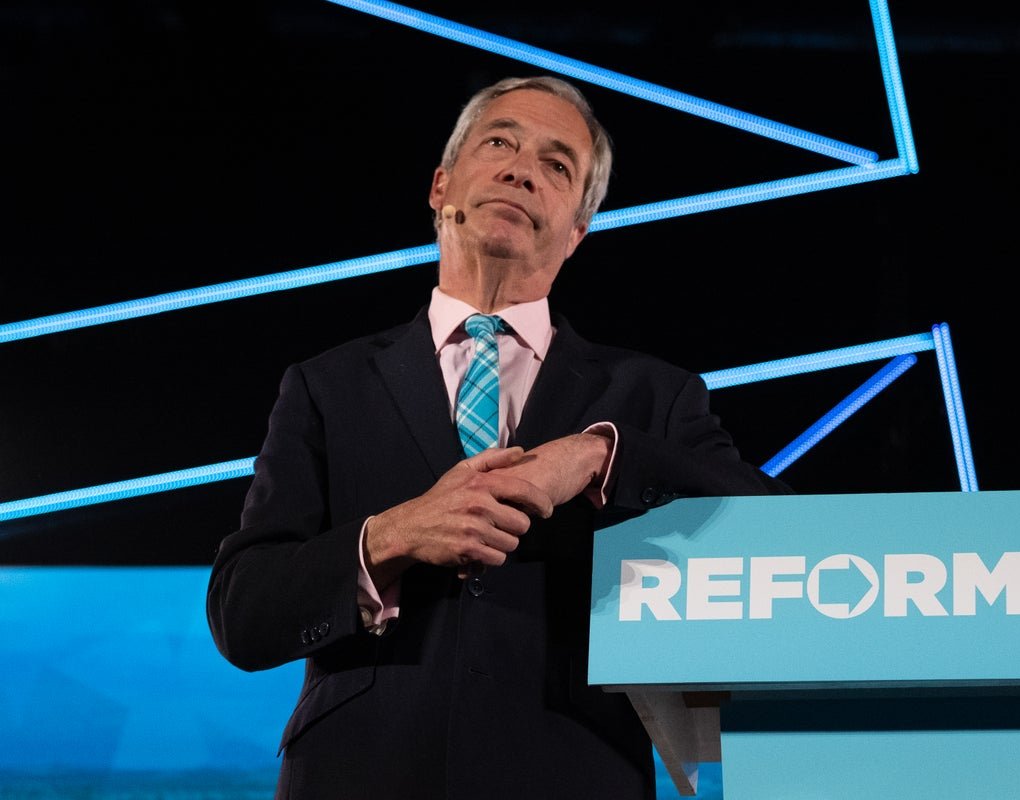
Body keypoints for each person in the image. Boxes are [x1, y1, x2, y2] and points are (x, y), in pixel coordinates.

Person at [207, 75, 793, 800]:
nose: (521, 169)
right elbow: (244, 613)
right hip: (358, 774)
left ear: (578, 230)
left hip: (574, 772)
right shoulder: (327, 386)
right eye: (500, 143)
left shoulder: (652, 396)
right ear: (440, 185)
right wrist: (390, 536)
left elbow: (775, 531)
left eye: (557, 165)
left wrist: (601, 454)